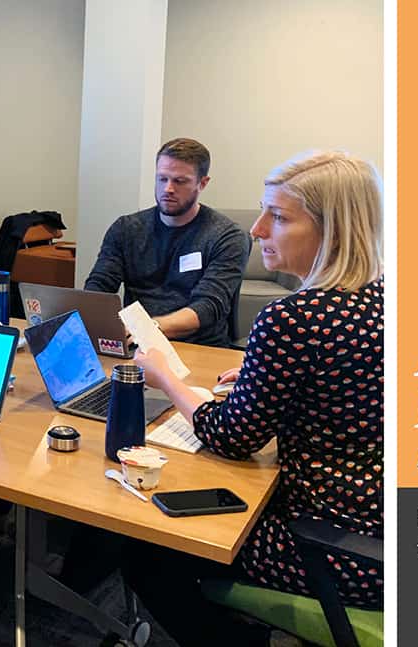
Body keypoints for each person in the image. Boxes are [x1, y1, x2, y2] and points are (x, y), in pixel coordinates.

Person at [130, 151, 384, 645]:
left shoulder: (293, 318)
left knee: (147, 550)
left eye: (280, 216)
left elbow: (231, 438)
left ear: (331, 228)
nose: (258, 229)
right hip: (383, 525)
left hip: (330, 543)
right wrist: (258, 370)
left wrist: (167, 379)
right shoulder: (382, 297)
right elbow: (344, 381)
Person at [84, 138, 249, 347]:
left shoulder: (227, 236)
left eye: (180, 181)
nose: (168, 189)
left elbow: (208, 306)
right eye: (162, 179)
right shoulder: (126, 228)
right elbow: (100, 285)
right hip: (136, 343)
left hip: (197, 346)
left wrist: (149, 328)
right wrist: (91, 317)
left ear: (203, 183)